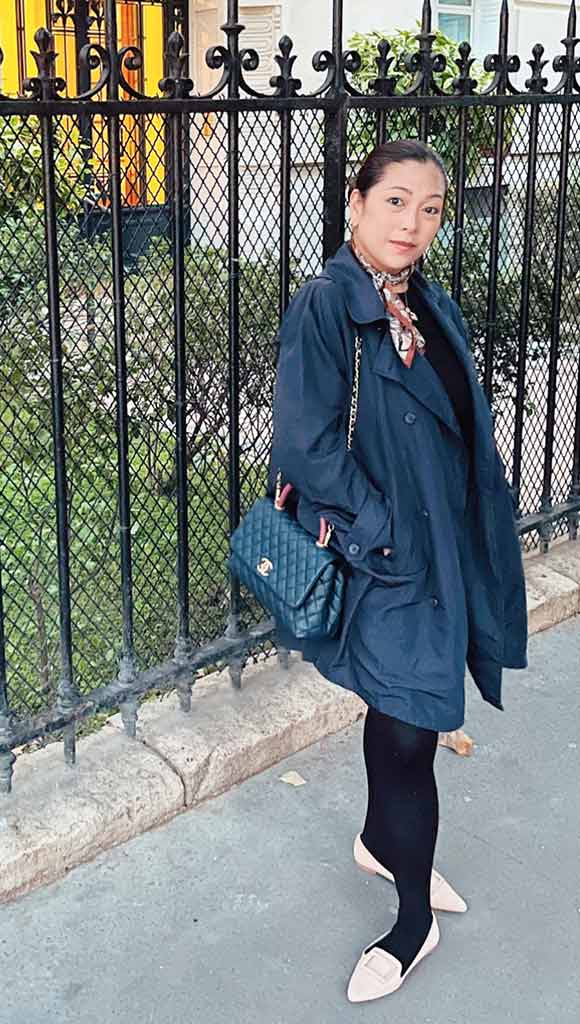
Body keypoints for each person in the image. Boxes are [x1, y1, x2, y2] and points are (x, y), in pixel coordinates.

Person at [269, 139, 528, 1003]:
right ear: (355, 203)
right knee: (412, 727)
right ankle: (412, 922)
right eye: (395, 201)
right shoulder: (329, 304)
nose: (413, 222)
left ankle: (381, 844)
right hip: (387, 555)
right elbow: (304, 446)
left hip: (439, 546)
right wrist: (382, 535)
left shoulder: (422, 299)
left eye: (431, 208)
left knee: (398, 715)